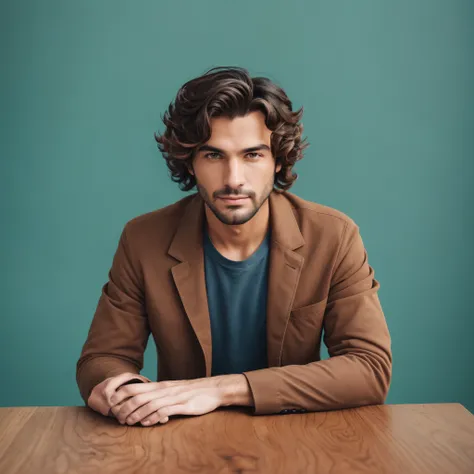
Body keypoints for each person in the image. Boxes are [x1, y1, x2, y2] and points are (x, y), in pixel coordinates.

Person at [76, 66, 392, 427]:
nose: (233, 179)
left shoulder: (334, 237)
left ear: (278, 161)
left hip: (298, 440)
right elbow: (101, 358)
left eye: (253, 155)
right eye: (213, 156)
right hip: (179, 441)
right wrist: (129, 393)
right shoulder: (143, 238)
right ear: (190, 163)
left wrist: (221, 389)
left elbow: (370, 368)